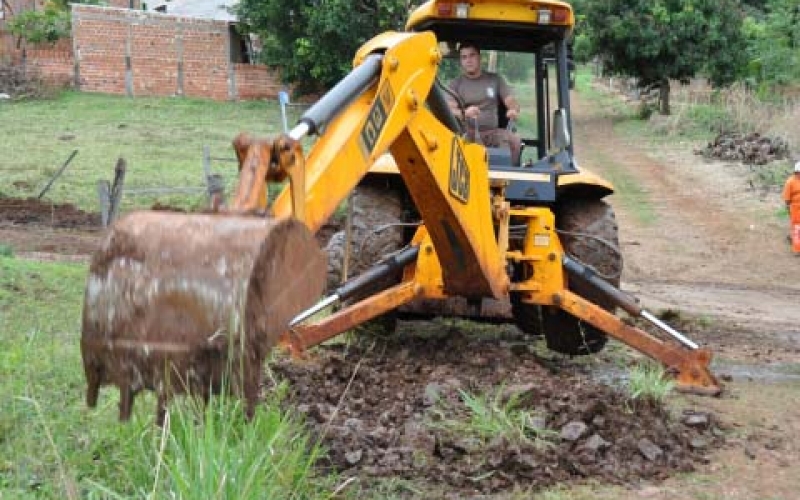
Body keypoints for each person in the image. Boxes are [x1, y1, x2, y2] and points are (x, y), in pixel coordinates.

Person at [448, 42, 522, 166]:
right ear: (460, 61)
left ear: (479, 57)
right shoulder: (456, 84)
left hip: (493, 133)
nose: (468, 60)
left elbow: (511, 102)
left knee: (514, 140)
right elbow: (450, 109)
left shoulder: (495, 79)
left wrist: (513, 110)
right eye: (464, 57)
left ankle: (509, 179)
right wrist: (465, 113)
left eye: (472, 55)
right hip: (467, 133)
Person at [782, 161, 800, 253]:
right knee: (797, 228)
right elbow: (786, 198)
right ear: (796, 172)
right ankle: (797, 250)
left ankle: (791, 237)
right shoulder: (790, 182)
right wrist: (788, 208)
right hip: (795, 208)